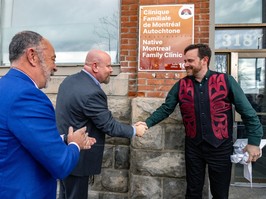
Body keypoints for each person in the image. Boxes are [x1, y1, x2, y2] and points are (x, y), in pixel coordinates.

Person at [143, 44, 263, 198]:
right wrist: (146, 123)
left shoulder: (225, 81)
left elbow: (248, 112)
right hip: (194, 148)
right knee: (193, 192)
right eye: (185, 60)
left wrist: (254, 141)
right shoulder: (181, 85)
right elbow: (166, 108)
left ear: (204, 60)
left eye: (190, 60)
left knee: (220, 194)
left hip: (220, 147)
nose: (185, 64)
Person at [0, 30, 96, 199]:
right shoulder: (28, 97)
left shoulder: (5, 88)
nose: (55, 67)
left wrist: (65, 139)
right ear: (32, 56)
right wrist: (75, 145)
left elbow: (18, 140)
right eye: (53, 59)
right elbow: (60, 165)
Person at [56, 49, 148, 199]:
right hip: (78, 159)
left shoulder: (69, 81)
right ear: (95, 66)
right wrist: (134, 130)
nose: (112, 70)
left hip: (63, 153)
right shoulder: (91, 92)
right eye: (109, 66)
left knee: (65, 194)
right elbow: (109, 125)